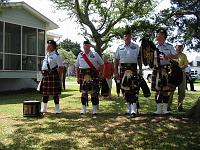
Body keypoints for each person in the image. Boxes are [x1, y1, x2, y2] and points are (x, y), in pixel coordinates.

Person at [114, 29, 142, 117]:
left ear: (131, 37)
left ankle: (133, 110)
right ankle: (128, 108)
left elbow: (139, 59)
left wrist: (140, 70)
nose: (127, 37)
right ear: (123, 37)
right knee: (125, 89)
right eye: (125, 36)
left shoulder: (136, 47)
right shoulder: (119, 47)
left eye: (128, 36)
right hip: (123, 69)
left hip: (133, 68)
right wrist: (116, 72)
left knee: (133, 89)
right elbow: (116, 60)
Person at [151, 28, 177, 115]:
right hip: (156, 69)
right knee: (157, 90)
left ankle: (165, 110)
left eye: (160, 35)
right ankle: (158, 110)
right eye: (157, 35)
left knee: (166, 90)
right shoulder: (153, 47)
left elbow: (175, 56)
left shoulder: (169, 46)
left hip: (166, 69)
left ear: (164, 37)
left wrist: (169, 55)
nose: (158, 36)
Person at [75, 40, 104, 115]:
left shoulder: (95, 54)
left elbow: (102, 64)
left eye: (87, 45)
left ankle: (94, 110)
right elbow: (77, 67)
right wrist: (77, 77)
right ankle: (83, 109)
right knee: (84, 93)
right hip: (83, 74)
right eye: (84, 45)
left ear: (90, 46)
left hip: (93, 74)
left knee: (93, 92)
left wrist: (101, 73)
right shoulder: (80, 55)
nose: (86, 47)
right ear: (83, 46)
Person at [40, 40, 64, 114]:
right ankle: (44, 108)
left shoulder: (56, 56)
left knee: (55, 94)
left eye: (49, 45)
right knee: (45, 93)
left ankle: (57, 109)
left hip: (53, 76)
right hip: (46, 76)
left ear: (53, 47)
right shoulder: (47, 55)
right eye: (47, 45)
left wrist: (59, 77)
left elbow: (61, 67)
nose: (47, 47)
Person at [168, 42, 188, 111]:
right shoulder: (172, 55)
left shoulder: (184, 56)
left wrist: (178, 69)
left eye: (181, 47)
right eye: (178, 46)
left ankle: (180, 107)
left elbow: (185, 65)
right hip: (173, 76)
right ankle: (168, 106)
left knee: (182, 91)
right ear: (175, 47)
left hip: (182, 75)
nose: (179, 48)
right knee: (170, 91)